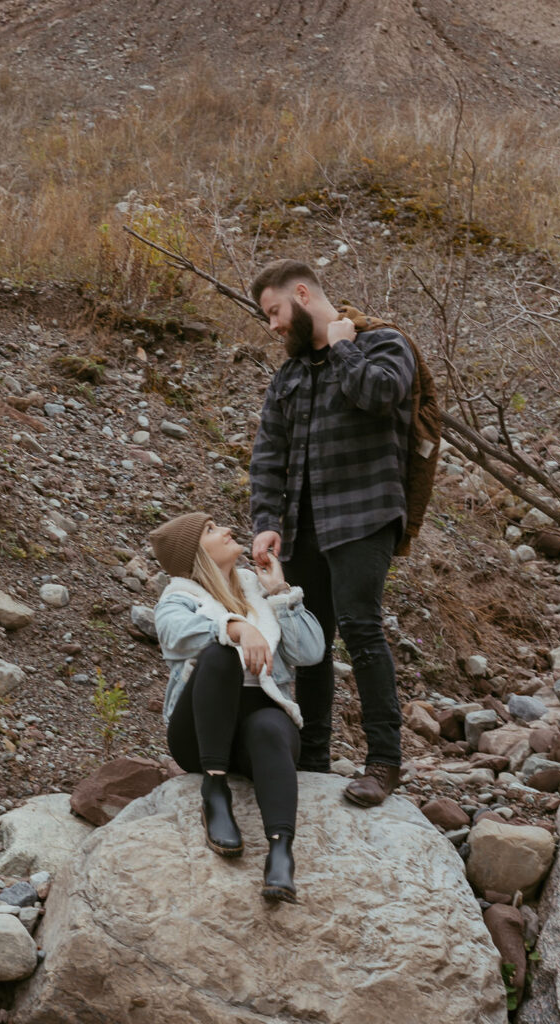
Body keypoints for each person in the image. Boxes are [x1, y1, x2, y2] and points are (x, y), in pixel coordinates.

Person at [249, 259, 416, 808]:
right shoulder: (289, 375)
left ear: (302, 294)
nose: (273, 325)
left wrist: (344, 347)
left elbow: (384, 395)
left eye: (275, 311)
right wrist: (267, 523)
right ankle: (313, 757)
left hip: (365, 516)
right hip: (303, 527)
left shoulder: (383, 344)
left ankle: (384, 762)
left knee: (362, 630)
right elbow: (268, 454)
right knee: (310, 642)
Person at [150, 511, 325, 904]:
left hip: (254, 733)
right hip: (199, 736)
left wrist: (280, 593)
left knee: (269, 725)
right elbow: (173, 636)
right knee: (220, 655)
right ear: (194, 552)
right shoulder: (180, 597)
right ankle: (215, 792)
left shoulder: (255, 590)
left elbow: (312, 653)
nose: (227, 529)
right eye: (211, 530)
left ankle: (281, 853)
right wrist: (236, 627)